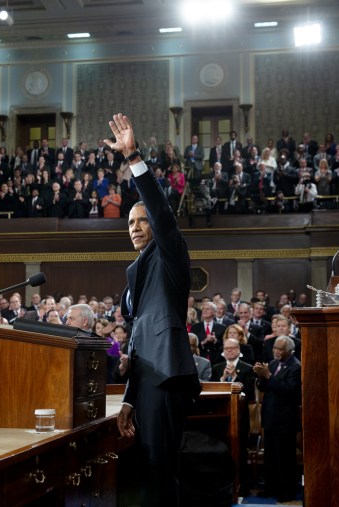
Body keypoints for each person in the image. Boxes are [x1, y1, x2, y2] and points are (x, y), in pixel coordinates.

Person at [107, 113, 200, 506]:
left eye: (141, 220)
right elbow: (136, 344)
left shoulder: (169, 254)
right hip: (144, 382)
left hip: (166, 378)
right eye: (130, 222)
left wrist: (133, 158)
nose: (135, 227)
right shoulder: (133, 273)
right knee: (145, 470)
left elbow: (161, 213)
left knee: (162, 471)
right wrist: (128, 398)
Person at [253, 335, 302, 502]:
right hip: (271, 418)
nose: (275, 351)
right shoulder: (273, 364)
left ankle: (286, 492)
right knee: (270, 457)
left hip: (286, 421)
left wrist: (268, 376)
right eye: (274, 348)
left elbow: (288, 390)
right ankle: (270, 487)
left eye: (279, 349)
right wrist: (260, 376)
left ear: (288, 351)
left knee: (284, 458)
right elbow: (265, 388)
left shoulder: (296, 367)